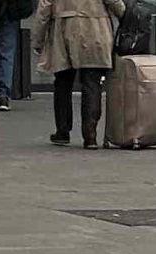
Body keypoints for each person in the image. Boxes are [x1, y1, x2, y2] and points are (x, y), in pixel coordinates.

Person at [32, 0, 121, 147]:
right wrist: (126, 18)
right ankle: (90, 135)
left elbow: (44, 10)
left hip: (64, 31)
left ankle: (62, 131)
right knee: (92, 83)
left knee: (62, 82)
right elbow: (115, 2)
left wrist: (38, 40)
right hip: (95, 30)